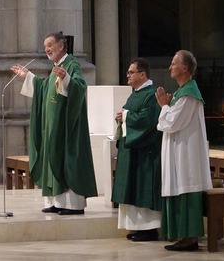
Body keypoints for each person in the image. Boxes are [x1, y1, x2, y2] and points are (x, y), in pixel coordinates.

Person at [11, 32, 98, 215]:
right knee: (53, 159)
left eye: (50, 45)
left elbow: (80, 87)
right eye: (45, 47)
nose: (47, 49)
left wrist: (66, 79)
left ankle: (73, 205)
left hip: (66, 126)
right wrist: (29, 76)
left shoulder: (71, 64)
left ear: (61, 46)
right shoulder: (57, 67)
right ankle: (57, 202)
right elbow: (45, 88)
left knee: (65, 160)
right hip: (53, 126)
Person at [155, 50, 213, 251]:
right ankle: (183, 235)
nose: (170, 67)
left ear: (185, 68)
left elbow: (171, 123)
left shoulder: (189, 94)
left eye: (173, 63)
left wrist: (163, 106)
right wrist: (168, 106)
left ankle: (190, 238)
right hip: (179, 152)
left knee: (186, 189)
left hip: (185, 156)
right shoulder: (182, 93)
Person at [111, 58, 162, 242]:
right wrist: (121, 117)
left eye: (131, 72)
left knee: (142, 188)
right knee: (131, 188)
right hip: (131, 150)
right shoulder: (135, 93)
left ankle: (148, 229)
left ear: (142, 74)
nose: (128, 75)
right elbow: (131, 115)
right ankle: (136, 227)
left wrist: (126, 116)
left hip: (144, 153)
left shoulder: (151, 94)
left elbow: (148, 121)